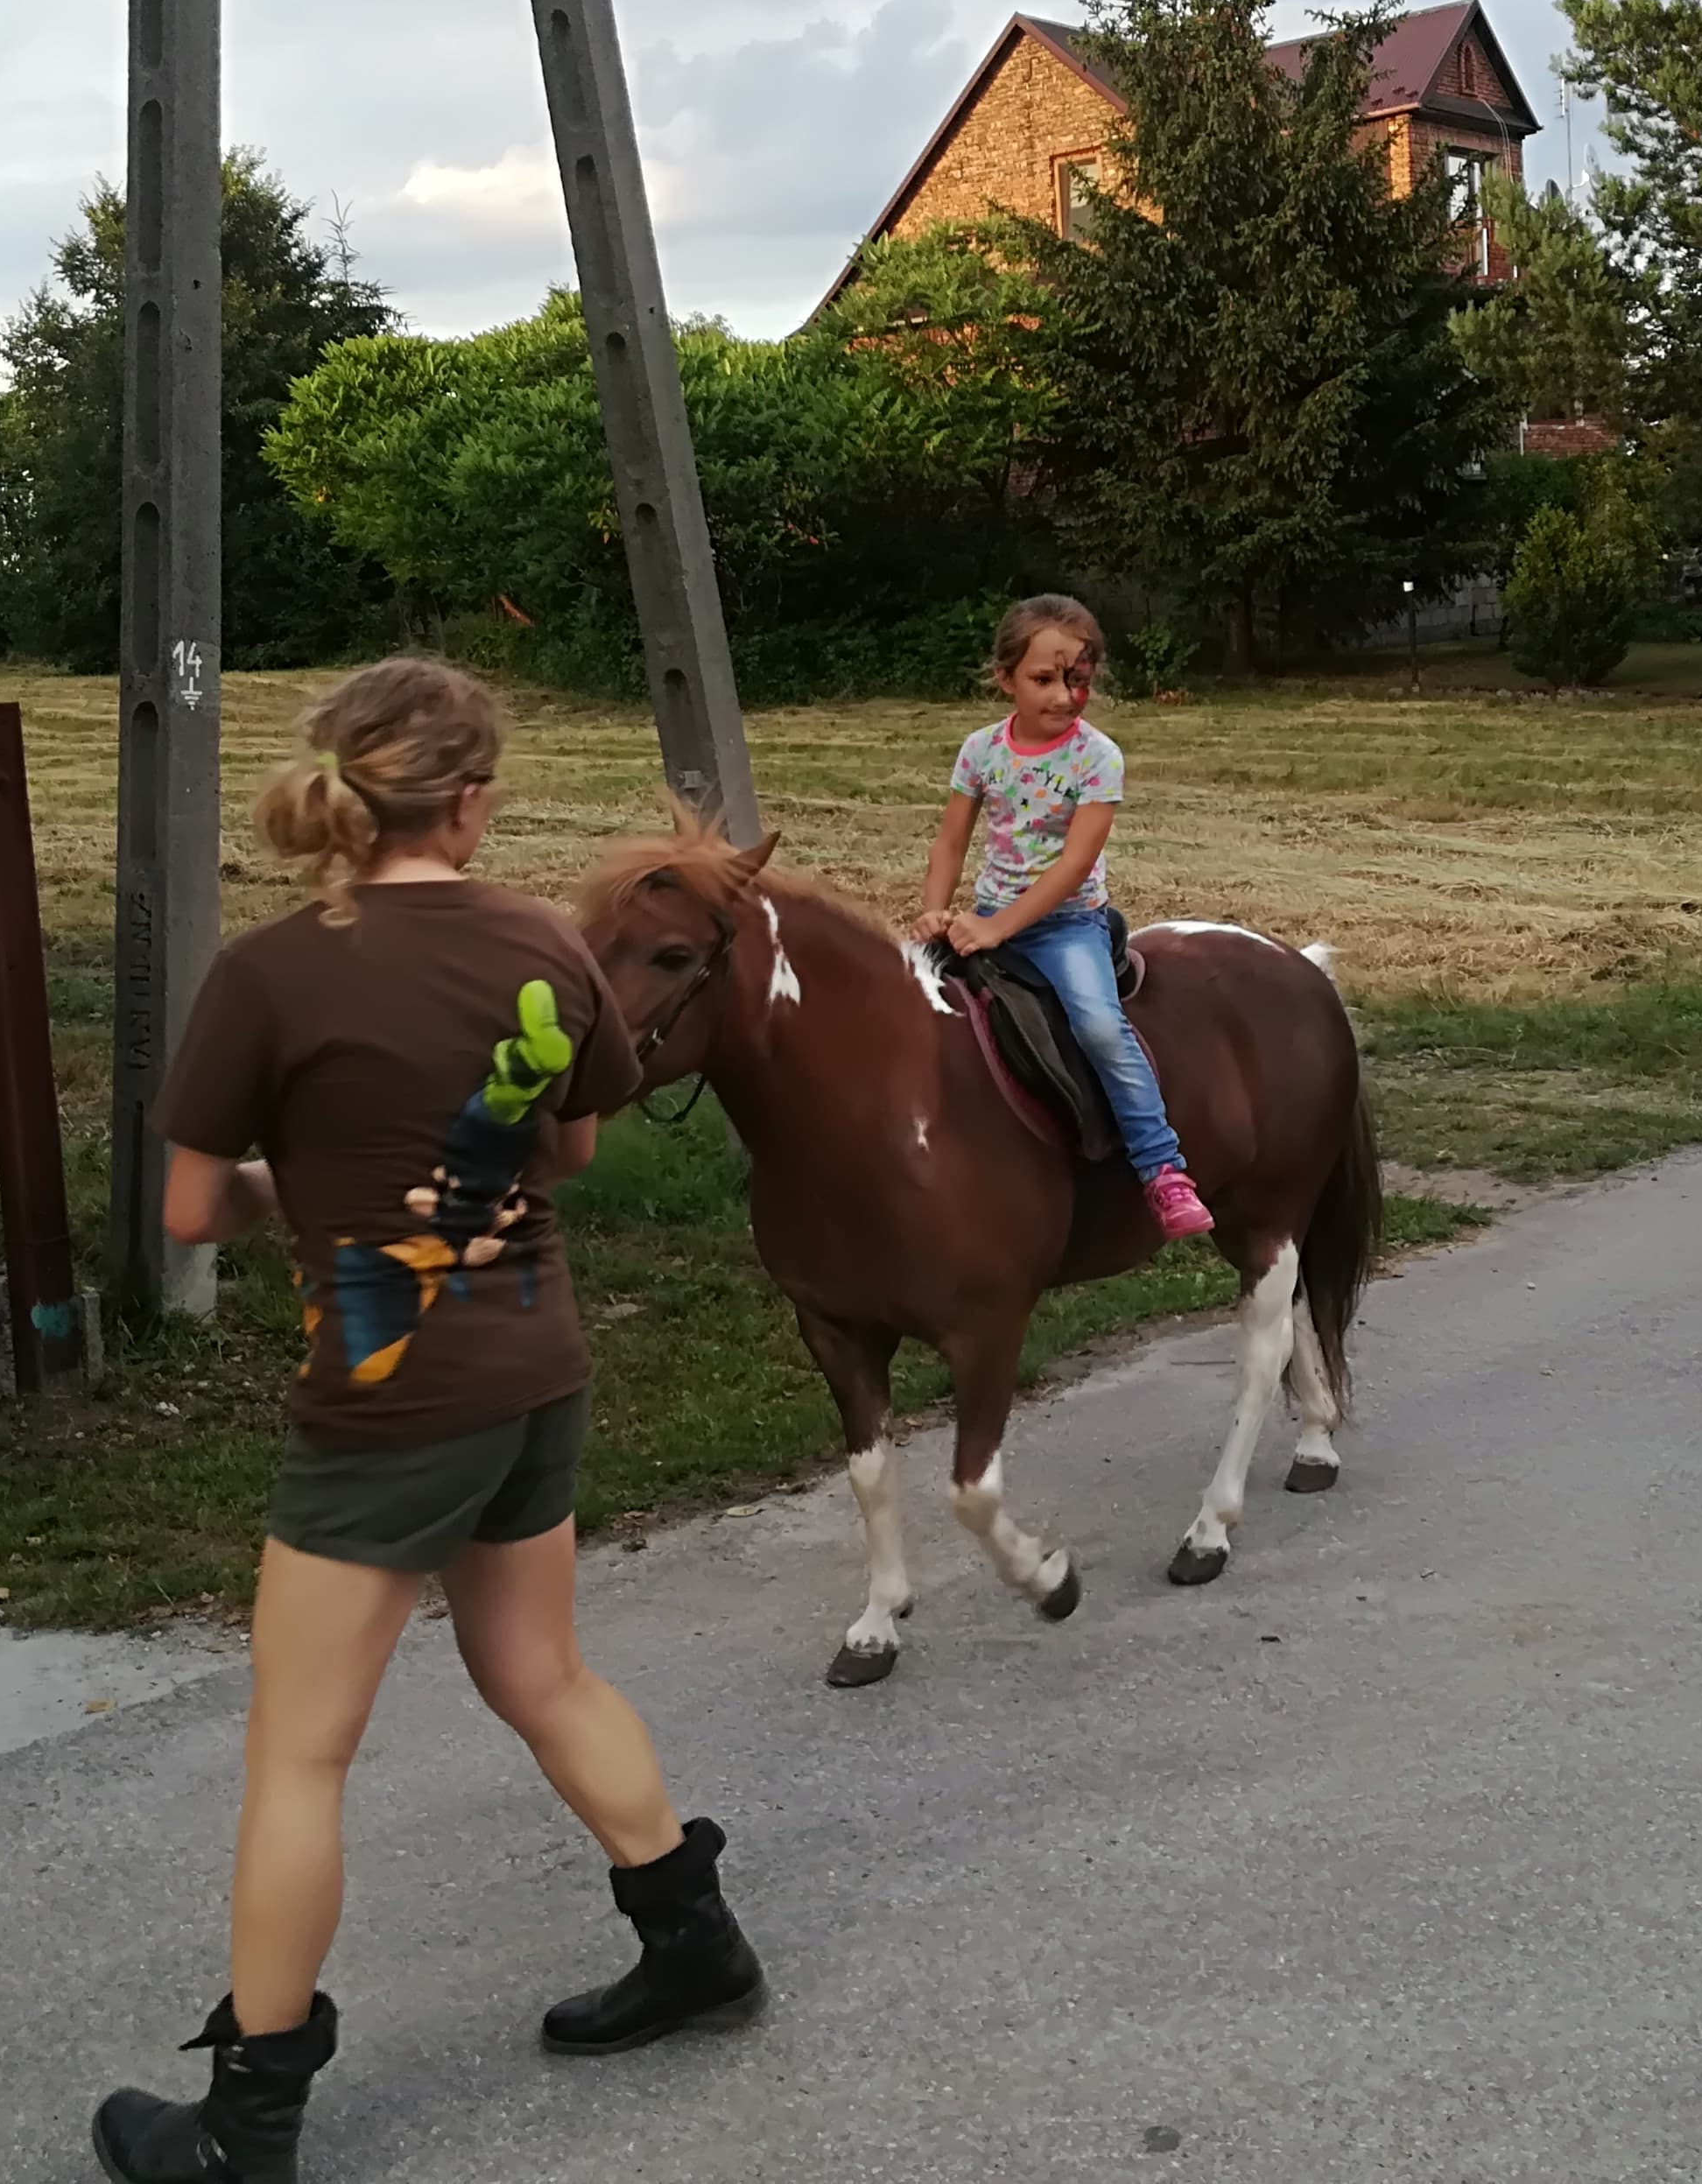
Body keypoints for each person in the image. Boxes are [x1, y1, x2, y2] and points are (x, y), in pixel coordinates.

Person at [93, 657, 765, 2184]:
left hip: (382, 1403)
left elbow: (191, 1206)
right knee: (541, 1669)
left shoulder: (270, 972)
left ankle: (244, 2126)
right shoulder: (543, 940)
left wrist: (298, 1181)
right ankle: (695, 1945)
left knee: (299, 1757)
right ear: (471, 803)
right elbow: (571, 1147)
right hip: (534, 1366)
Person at [912, 594, 1213, 1241]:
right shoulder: (980, 751)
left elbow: (1074, 866)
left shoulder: (1096, 757)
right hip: (988, 911)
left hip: (1066, 926)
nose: (1062, 696)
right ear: (1005, 680)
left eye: (1077, 680)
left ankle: (1162, 1167)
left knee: (1100, 1028)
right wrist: (936, 908)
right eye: (1043, 680)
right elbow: (950, 841)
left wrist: (998, 929)